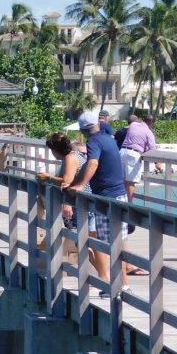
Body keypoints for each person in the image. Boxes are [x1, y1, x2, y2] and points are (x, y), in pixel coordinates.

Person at [68, 110, 138, 295]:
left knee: (110, 244)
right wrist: (75, 183)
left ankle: (119, 286)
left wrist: (81, 185)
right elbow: (87, 166)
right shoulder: (108, 138)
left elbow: (92, 163)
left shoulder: (94, 142)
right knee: (117, 243)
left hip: (107, 198)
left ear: (83, 130)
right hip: (119, 196)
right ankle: (121, 285)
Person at [119, 115, 158, 202]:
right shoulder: (149, 132)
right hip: (133, 155)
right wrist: (157, 163)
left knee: (122, 180)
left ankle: (121, 202)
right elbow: (152, 149)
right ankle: (129, 205)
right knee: (131, 182)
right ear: (152, 123)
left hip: (122, 152)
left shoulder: (133, 125)